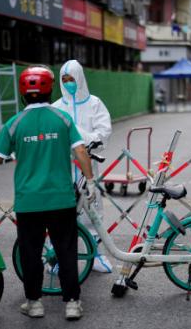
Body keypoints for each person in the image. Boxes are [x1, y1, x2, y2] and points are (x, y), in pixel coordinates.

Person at [0, 65, 95, 321]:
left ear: (23, 93)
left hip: (29, 203)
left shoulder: (14, 124)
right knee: (66, 251)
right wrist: (90, 180)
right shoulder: (63, 119)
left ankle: (34, 303)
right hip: (61, 199)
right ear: (49, 89)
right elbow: (80, 151)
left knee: (30, 253)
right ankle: (72, 303)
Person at [52, 60, 113, 273]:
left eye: (72, 79)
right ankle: (58, 257)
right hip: (63, 169)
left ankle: (95, 254)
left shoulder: (94, 103)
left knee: (92, 210)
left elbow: (103, 134)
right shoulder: (57, 107)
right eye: (64, 80)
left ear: (80, 79)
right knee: (61, 213)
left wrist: (81, 137)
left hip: (88, 166)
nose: (69, 84)